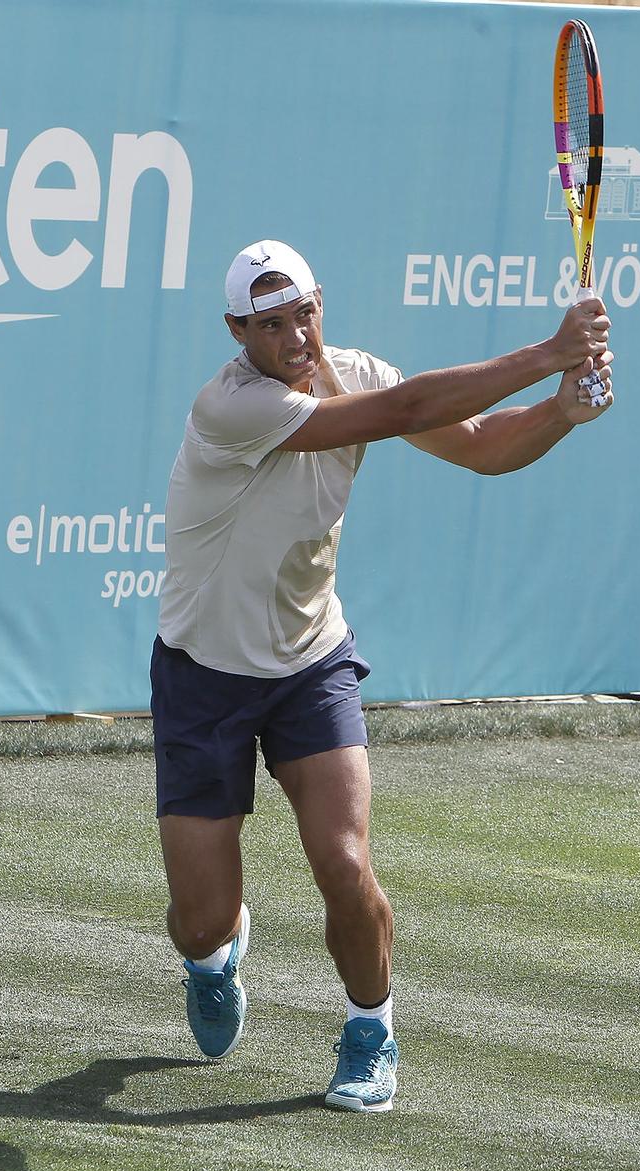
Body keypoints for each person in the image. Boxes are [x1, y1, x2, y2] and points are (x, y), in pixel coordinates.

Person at [152, 239, 614, 1113]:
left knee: (345, 860)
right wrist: (550, 353)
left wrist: (560, 410)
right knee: (201, 918)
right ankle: (213, 956)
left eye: (306, 313)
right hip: (203, 675)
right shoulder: (232, 406)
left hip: (310, 663)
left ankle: (373, 1030)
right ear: (237, 330)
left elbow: (478, 444)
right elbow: (405, 407)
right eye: (271, 324)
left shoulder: (351, 370)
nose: (295, 337)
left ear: (323, 301)